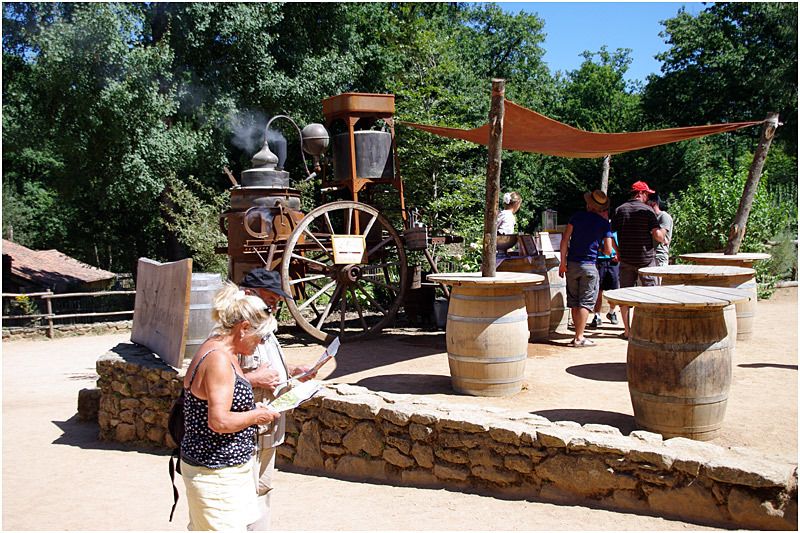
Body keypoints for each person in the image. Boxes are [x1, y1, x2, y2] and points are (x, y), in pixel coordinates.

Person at [180, 281, 281, 531]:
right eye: (258, 338)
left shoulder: (216, 348)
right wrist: (257, 415)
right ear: (244, 328)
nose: (258, 345)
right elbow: (219, 421)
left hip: (223, 470)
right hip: (216, 472)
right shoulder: (219, 360)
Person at [237, 268, 316, 531]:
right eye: (270, 299)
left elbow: (267, 365)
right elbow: (213, 381)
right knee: (240, 496)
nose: (274, 305)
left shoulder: (264, 325)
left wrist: (293, 372)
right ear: (248, 294)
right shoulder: (232, 332)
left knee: (262, 490)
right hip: (244, 432)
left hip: (267, 430)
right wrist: (254, 380)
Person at [611, 181, 667, 339]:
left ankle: (628, 331)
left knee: (624, 295)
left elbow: (609, 235)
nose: (648, 197)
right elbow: (657, 235)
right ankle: (650, 330)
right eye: (647, 194)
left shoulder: (619, 210)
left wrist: (618, 251)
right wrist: (663, 233)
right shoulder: (647, 211)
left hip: (627, 259)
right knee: (650, 294)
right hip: (646, 260)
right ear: (641, 194)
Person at [558, 189, 613, 347]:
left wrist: (563, 263)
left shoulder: (576, 217)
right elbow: (608, 250)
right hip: (589, 266)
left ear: (588, 204)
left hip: (572, 265)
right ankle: (579, 337)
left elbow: (565, 240)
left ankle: (577, 334)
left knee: (575, 302)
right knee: (585, 302)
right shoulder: (603, 224)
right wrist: (599, 249)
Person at [589, 230, 620, 328]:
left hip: (614, 261)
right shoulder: (597, 227)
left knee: (615, 289)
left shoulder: (616, 228)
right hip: (599, 260)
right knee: (598, 289)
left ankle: (611, 312)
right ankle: (597, 315)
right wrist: (601, 250)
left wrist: (618, 254)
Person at [647, 192, 673, 267]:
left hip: (659, 256)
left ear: (653, 203)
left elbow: (659, 237)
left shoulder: (664, 216)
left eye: (646, 203)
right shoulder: (649, 218)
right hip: (649, 256)